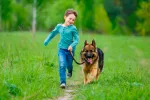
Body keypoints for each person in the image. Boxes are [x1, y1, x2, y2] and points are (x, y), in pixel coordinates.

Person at [44, 9, 79, 89]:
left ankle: (70, 71)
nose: (71, 21)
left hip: (70, 51)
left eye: (73, 20)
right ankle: (63, 82)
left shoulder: (73, 28)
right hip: (61, 49)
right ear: (65, 17)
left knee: (69, 65)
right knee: (62, 64)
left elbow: (77, 39)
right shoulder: (59, 27)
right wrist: (47, 40)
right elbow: (53, 33)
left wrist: (72, 45)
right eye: (70, 18)